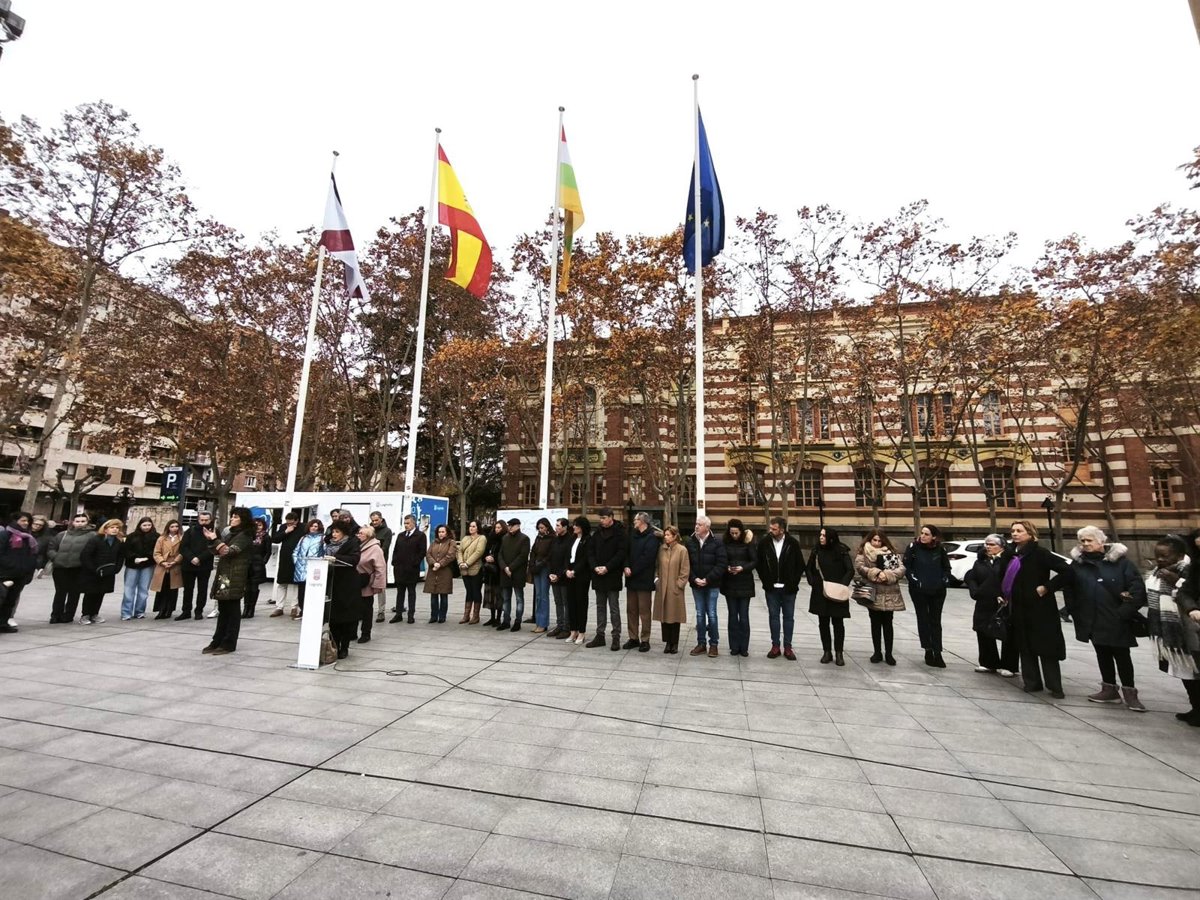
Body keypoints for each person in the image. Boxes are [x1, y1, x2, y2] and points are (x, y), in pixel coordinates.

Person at [1055, 526, 1147, 711]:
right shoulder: (1078, 564)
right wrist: (1074, 610)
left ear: (1101, 541)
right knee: (1102, 653)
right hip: (1091, 617)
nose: (1085, 544)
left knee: (1122, 655)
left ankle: (1130, 693)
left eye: (1089, 540)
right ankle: (1109, 689)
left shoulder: (1122, 563)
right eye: (1082, 541)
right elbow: (1069, 588)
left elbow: (1137, 590)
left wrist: (1123, 612)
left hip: (1116, 617)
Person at [1003, 520, 1072, 698]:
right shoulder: (1012, 555)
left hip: (1040, 608)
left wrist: (1047, 587)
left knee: (1046, 648)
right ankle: (1032, 682)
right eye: (1013, 531)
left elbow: (1068, 571)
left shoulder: (1040, 553)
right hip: (1019, 607)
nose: (1015, 533)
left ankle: (1054, 686)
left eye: (1019, 531)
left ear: (1031, 534)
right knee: (1025, 646)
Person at [1159, 531, 1200, 725]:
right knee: (1189, 669)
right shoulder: (1195, 567)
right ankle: (1197, 708)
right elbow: (1186, 591)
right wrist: (1192, 608)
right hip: (1188, 626)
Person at [964, 534, 1018, 677]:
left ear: (1002, 546)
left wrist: (1002, 594)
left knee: (1007, 632)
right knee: (982, 629)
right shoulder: (981, 561)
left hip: (1003, 601)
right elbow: (972, 577)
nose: (988, 547)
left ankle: (1009, 665)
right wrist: (975, 590)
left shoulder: (1009, 560)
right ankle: (988, 662)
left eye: (992, 544)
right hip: (984, 600)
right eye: (986, 544)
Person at [202, 507, 254, 655]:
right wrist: (211, 540)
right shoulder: (231, 533)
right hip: (225, 575)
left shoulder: (245, 535)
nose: (232, 519)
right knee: (223, 608)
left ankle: (229, 643)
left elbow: (228, 551)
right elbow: (218, 551)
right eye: (232, 516)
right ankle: (217, 640)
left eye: (236, 517)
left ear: (243, 519)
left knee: (232, 609)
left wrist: (215, 539)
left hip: (235, 576)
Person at [854, 529, 906, 666]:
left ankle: (889, 653)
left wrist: (887, 575)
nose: (877, 543)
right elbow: (859, 567)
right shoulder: (864, 552)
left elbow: (901, 569)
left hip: (890, 592)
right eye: (874, 540)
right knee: (875, 623)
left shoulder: (891, 552)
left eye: (879, 540)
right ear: (870, 540)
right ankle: (877, 652)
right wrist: (875, 573)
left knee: (888, 623)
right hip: (873, 591)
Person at [903, 524, 952, 668]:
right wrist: (915, 581)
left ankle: (938, 651)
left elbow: (946, 567)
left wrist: (944, 580)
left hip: (937, 590)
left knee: (935, 620)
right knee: (923, 619)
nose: (923, 536)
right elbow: (907, 567)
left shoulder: (940, 549)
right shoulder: (913, 547)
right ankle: (928, 649)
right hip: (919, 590)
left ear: (934, 537)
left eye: (927, 534)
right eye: (922, 533)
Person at [756, 516, 804, 660]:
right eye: (770, 528)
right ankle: (775, 646)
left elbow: (800, 565)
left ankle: (788, 647)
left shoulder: (792, 543)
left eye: (774, 529)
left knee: (789, 618)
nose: (771, 530)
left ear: (782, 530)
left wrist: (793, 582)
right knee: (774, 617)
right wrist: (766, 580)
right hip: (771, 588)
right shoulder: (764, 542)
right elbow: (759, 564)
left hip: (789, 589)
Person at [806, 526, 854, 666]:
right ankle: (827, 651)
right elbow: (809, 568)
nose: (821, 538)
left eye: (824, 535)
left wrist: (842, 585)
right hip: (821, 591)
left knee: (838, 623)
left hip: (838, 591)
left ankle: (839, 653)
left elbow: (850, 570)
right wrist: (813, 582)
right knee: (823, 622)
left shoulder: (841, 550)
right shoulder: (816, 550)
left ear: (831, 538)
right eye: (820, 535)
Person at [587, 507, 626, 651]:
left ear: (611, 517)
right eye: (600, 518)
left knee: (614, 608)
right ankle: (600, 635)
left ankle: (616, 636)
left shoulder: (620, 532)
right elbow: (590, 552)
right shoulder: (597, 533)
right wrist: (595, 567)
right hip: (598, 575)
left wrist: (607, 567)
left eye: (604, 518)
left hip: (612, 575)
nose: (601, 521)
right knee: (600, 606)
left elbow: (621, 553)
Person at [687, 515, 726, 658]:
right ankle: (701, 644)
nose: (696, 526)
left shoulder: (717, 542)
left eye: (700, 524)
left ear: (707, 527)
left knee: (712, 614)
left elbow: (721, 564)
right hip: (696, 584)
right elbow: (686, 564)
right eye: (696, 524)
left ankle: (714, 644)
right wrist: (694, 578)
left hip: (712, 584)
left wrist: (707, 579)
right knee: (699, 614)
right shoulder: (690, 542)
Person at [323, 520, 362, 659]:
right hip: (332, 584)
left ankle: (344, 647)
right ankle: (334, 645)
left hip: (347, 585)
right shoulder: (328, 545)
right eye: (333, 531)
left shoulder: (352, 543)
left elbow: (354, 560)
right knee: (333, 619)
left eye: (337, 532)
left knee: (346, 619)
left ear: (344, 533)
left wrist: (335, 557)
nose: (334, 534)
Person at [624, 512, 660, 652]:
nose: (634, 522)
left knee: (644, 611)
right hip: (631, 579)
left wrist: (633, 570)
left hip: (644, 579)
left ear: (643, 521)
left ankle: (645, 639)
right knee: (631, 610)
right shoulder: (632, 535)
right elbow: (626, 553)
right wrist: (626, 566)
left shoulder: (652, 537)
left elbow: (648, 558)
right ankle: (633, 638)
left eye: (636, 520)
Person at [47, 513, 94, 624]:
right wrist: (56, 557)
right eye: (77, 521)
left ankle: (68, 615)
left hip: (79, 568)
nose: (80, 523)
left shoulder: (92, 535)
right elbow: (51, 548)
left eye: (83, 521)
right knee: (60, 592)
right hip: (60, 567)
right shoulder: (62, 534)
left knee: (74, 593)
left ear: (87, 522)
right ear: (72, 522)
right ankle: (55, 615)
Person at [653, 525, 690, 654]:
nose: (666, 537)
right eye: (665, 534)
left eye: (668, 535)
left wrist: (679, 585)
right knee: (664, 616)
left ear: (675, 536)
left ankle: (674, 643)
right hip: (662, 588)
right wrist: (656, 580)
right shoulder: (661, 549)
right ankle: (667, 642)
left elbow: (685, 570)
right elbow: (657, 566)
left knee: (674, 617)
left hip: (675, 589)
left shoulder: (682, 550)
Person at [79, 518, 125, 624]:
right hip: (93, 572)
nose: (115, 529)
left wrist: (116, 569)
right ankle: (85, 615)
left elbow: (120, 557)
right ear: (105, 529)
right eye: (112, 527)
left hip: (108, 572)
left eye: (117, 528)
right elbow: (85, 555)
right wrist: (93, 569)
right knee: (90, 594)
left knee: (101, 593)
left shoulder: (118, 542)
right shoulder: (96, 539)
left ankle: (95, 614)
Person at [721, 518, 755, 658]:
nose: (734, 535)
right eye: (732, 533)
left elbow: (754, 561)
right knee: (732, 616)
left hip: (745, 583)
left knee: (744, 616)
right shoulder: (725, 543)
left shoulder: (748, 542)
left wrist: (743, 568)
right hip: (730, 583)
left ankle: (744, 647)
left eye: (736, 533)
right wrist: (727, 567)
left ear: (741, 532)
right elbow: (722, 559)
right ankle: (734, 646)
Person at [0, 512, 38, 633]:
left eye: (27, 521)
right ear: (15, 521)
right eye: (23, 520)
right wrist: (11, 565)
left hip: (20, 574)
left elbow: (32, 556)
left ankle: (3, 623)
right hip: (5, 573)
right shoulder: (5, 535)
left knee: (11, 601)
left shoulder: (29, 538)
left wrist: (29, 571)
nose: (26, 523)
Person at [178, 511, 216, 620]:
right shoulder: (190, 531)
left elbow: (213, 548)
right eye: (202, 520)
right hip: (189, 565)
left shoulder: (214, 532)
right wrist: (192, 558)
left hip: (204, 565)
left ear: (210, 520)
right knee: (188, 589)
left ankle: (199, 611)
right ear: (198, 520)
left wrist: (200, 558)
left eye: (206, 520)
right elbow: (183, 547)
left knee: (202, 589)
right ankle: (186, 611)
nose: (204, 522)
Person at [390, 515, 426, 624]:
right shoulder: (401, 535)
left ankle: (411, 615)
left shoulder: (420, 535)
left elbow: (422, 552)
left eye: (408, 523)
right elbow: (396, 550)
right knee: (400, 592)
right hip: (400, 569)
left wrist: (414, 563)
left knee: (411, 592)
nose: (406, 525)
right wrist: (395, 562)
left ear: (414, 523)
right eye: (405, 523)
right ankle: (398, 614)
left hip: (411, 570)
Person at [121, 517, 158, 621]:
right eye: (144, 525)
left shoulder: (156, 536)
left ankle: (140, 611)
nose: (147, 527)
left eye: (149, 525)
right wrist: (134, 557)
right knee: (129, 589)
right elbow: (126, 550)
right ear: (140, 525)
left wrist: (147, 558)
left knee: (143, 590)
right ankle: (126, 612)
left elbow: (156, 550)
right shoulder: (132, 536)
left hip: (147, 565)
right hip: (132, 565)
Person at [355, 524, 386, 643]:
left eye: (361, 533)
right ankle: (352, 632)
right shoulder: (357, 545)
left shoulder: (375, 548)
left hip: (367, 582)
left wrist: (377, 585)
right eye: (358, 533)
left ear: (368, 536)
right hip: (355, 581)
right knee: (354, 608)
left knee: (366, 609)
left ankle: (366, 633)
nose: (358, 535)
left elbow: (380, 568)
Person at [270, 512, 304, 619]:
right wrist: (286, 531)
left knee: (295, 583)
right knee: (282, 582)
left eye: (291, 523)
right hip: (285, 557)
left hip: (297, 558)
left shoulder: (303, 527)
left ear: (297, 521)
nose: (289, 524)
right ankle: (279, 607)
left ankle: (294, 607)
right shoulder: (283, 527)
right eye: (287, 522)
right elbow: (275, 539)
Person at [498, 518, 530, 631]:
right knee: (506, 599)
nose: (510, 527)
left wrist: (510, 568)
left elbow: (523, 556)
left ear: (518, 526)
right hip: (505, 573)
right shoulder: (505, 538)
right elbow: (500, 554)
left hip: (517, 573)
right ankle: (506, 621)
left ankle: (518, 621)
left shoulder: (524, 539)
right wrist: (504, 567)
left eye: (512, 525)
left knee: (519, 598)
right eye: (509, 525)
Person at [564, 516, 591, 644]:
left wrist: (575, 571)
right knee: (571, 603)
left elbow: (585, 558)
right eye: (573, 524)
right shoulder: (572, 539)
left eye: (576, 525)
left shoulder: (588, 540)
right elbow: (567, 556)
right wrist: (567, 570)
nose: (574, 527)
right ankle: (573, 630)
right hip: (570, 574)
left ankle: (581, 632)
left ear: (582, 527)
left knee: (581, 604)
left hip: (581, 575)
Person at [292, 519, 326, 619]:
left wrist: (318, 563)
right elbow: (296, 551)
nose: (313, 528)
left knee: (313, 592)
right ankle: (302, 611)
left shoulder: (322, 538)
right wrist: (297, 562)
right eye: (312, 526)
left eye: (316, 526)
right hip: (301, 568)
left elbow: (324, 553)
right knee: (301, 592)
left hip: (314, 568)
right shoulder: (303, 538)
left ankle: (311, 612)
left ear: (319, 528)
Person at [150, 520, 184, 619]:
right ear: (168, 528)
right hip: (163, 566)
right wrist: (162, 562)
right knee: (162, 588)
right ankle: (161, 610)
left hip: (175, 566)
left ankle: (169, 610)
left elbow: (182, 552)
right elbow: (156, 553)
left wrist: (175, 561)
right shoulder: (161, 539)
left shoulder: (181, 538)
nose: (174, 528)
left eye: (176, 526)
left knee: (173, 589)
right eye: (172, 526)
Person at [241, 517, 273, 619]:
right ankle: (245, 608)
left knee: (254, 587)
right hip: (247, 563)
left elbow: (268, 551)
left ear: (263, 526)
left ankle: (251, 609)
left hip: (258, 564)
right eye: (256, 525)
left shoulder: (266, 536)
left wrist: (263, 562)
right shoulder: (249, 536)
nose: (258, 527)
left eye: (259, 525)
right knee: (247, 587)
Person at [425, 524, 457, 624]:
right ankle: (433, 616)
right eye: (439, 532)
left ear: (447, 533)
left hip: (445, 571)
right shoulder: (434, 542)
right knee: (433, 595)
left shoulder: (451, 542)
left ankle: (442, 616)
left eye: (443, 532)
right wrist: (433, 563)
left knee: (443, 595)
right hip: (433, 571)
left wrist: (440, 564)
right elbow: (428, 554)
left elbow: (450, 555)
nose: (441, 534)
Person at [546, 518, 573, 638]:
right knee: (558, 602)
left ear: (565, 527)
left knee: (566, 602)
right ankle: (559, 625)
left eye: (558, 526)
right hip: (554, 576)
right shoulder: (555, 540)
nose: (556, 528)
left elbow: (568, 561)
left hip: (564, 577)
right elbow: (550, 557)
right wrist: (550, 573)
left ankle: (567, 628)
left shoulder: (570, 540)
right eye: (556, 525)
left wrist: (559, 575)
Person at [457, 520, 486, 624]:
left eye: (473, 526)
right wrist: (461, 562)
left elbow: (479, 552)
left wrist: (468, 563)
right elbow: (459, 551)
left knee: (476, 591)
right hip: (464, 569)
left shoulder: (481, 538)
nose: (471, 528)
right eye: (470, 526)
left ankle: (476, 615)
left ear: (478, 527)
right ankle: (466, 615)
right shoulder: (465, 538)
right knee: (468, 591)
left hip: (476, 569)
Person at [528, 518, 554, 634]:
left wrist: (541, 564)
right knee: (538, 595)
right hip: (536, 566)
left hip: (545, 567)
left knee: (544, 596)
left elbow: (550, 555)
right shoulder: (538, 538)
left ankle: (543, 623)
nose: (540, 530)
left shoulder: (552, 538)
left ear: (547, 527)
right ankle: (538, 622)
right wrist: (532, 564)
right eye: (539, 528)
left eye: (542, 528)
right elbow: (533, 551)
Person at [369, 511, 393, 623]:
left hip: (381, 561)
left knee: (381, 587)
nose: (374, 522)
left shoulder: (387, 531)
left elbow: (385, 547)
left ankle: (381, 611)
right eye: (373, 520)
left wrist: (375, 555)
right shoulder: (369, 530)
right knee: (367, 586)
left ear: (381, 519)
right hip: (368, 562)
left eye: (376, 520)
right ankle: (366, 609)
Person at [481, 520, 506, 627]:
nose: (497, 529)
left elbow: (504, 555)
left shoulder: (504, 539)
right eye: (496, 527)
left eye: (499, 528)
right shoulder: (491, 539)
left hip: (498, 572)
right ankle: (492, 617)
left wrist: (494, 558)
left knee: (499, 596)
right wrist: (486, 557)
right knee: (490, 595)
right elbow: (485, 552)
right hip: (489, 572)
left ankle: (498, 618)